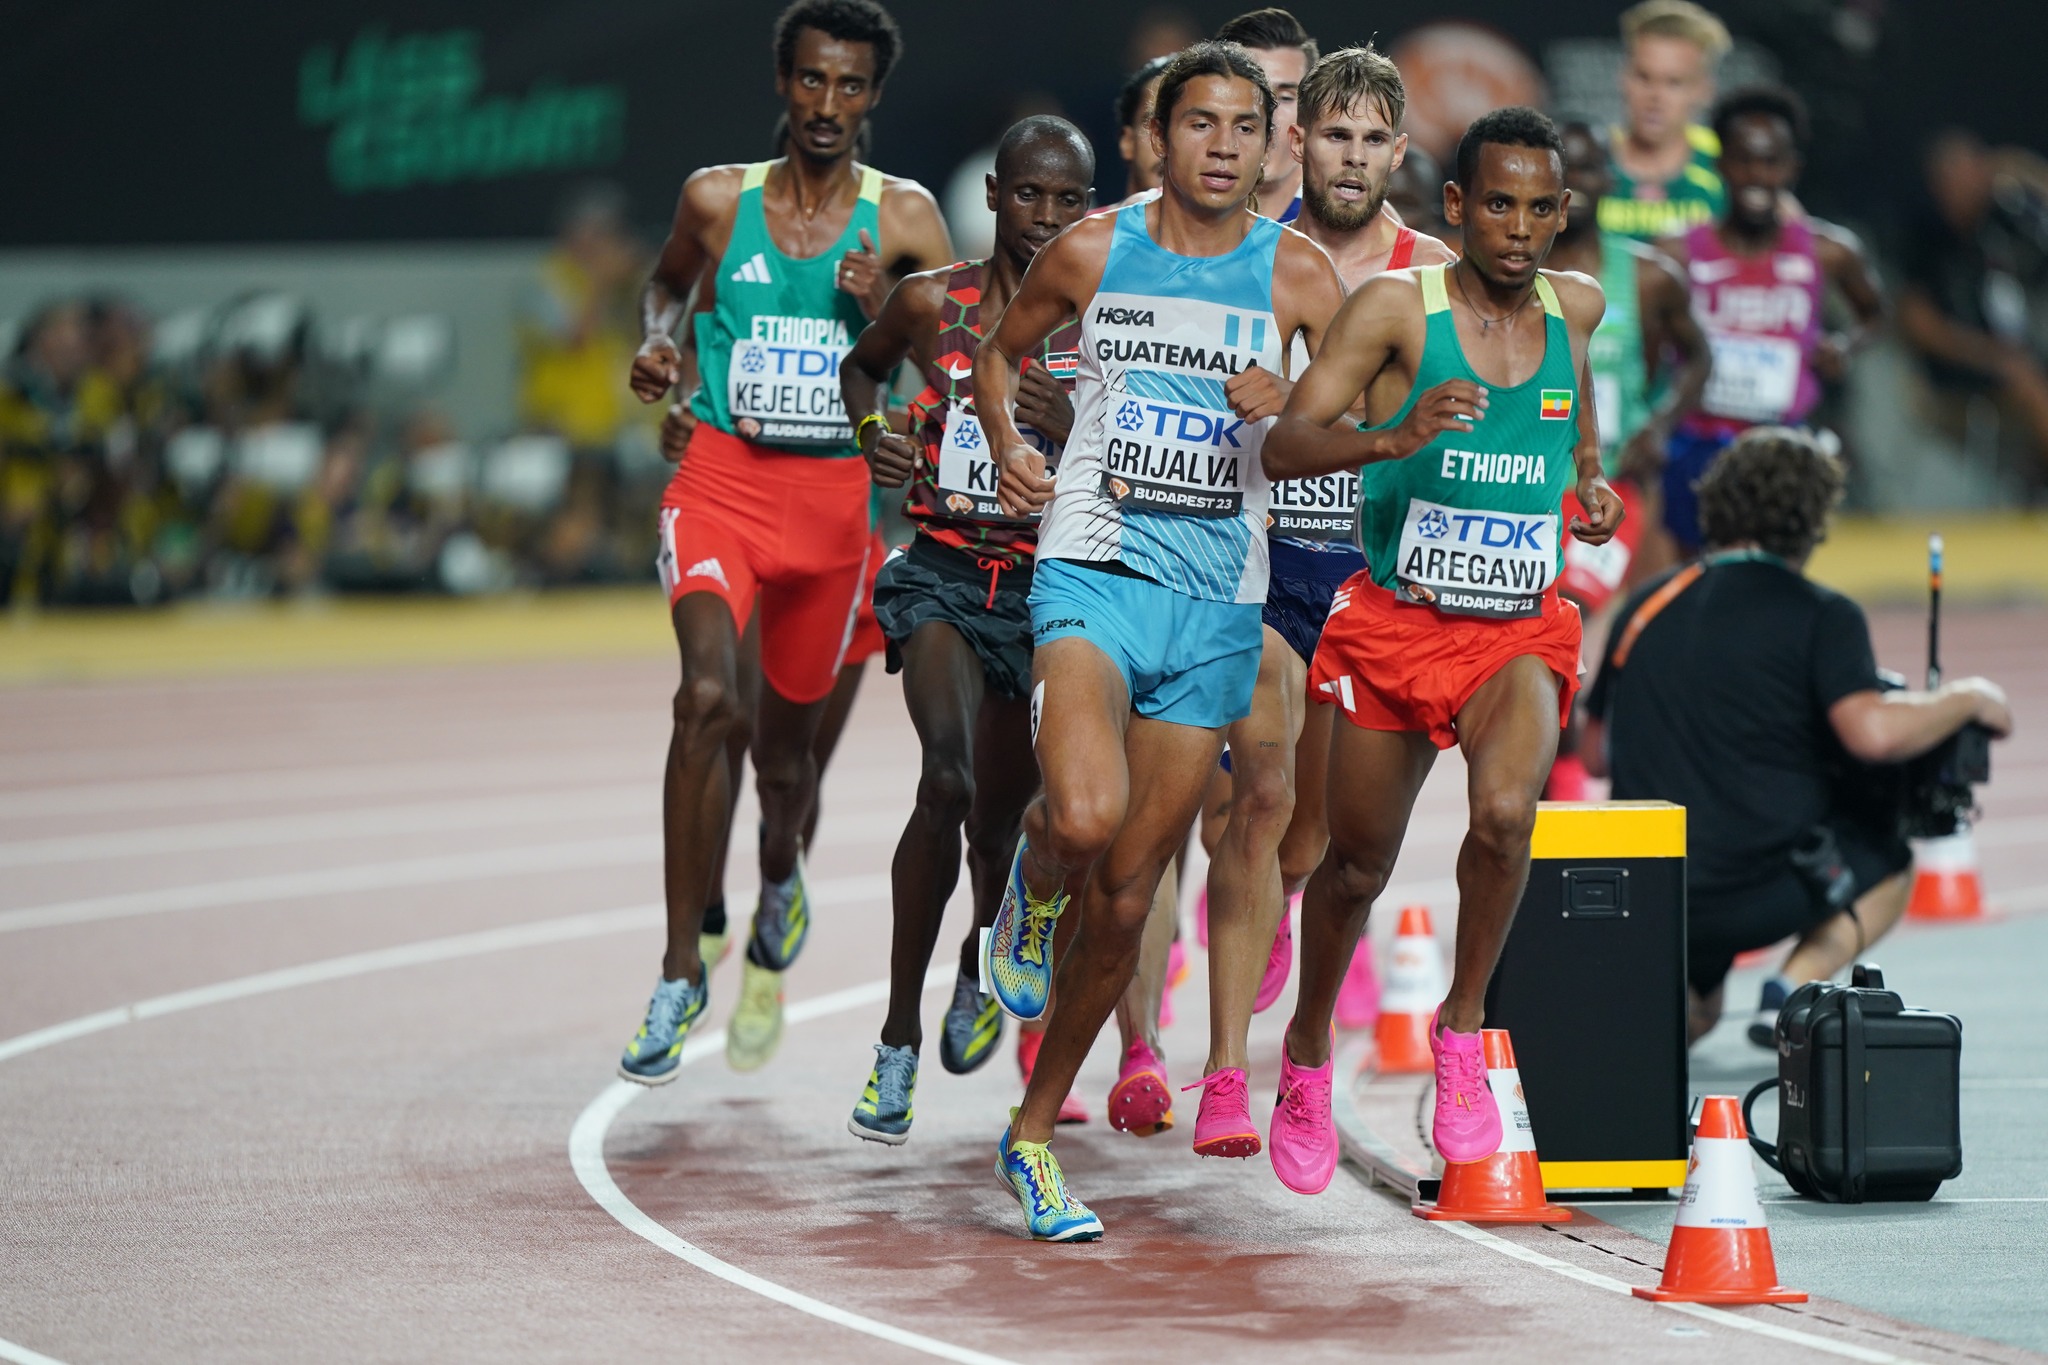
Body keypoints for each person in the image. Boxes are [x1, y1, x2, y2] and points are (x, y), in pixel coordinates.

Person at [973, 41, 1344, 1240]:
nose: (1223, 145)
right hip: (1092, 569)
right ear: (1158, 135)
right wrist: (1009, 443)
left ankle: (1032, 1137)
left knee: (1131, 898)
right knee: (1083, 822)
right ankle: (1034, 883)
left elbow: (1353, 415)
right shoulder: (1093, 248)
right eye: (1200, 122)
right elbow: (997, 352)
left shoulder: (1297, 274)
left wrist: (1293, 402)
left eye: (1244, 125)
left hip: (1218, 608)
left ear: (1268, 145)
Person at [1263, 107, 1621, 1194]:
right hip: (1397, 623)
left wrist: (1590, 486)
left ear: (1561, 214)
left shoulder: (1573, 309)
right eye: (1497, 205)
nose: (1517, 228)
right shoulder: (1394, 310)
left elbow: (1578, 429)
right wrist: (1395, 436)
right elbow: (1286, 444)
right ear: (1458, 206)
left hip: (1516, 627)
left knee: (1507, 817)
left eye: (1539, 209)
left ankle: (1460, 1032)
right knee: (1354, 867)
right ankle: (1306, 1050)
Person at [616, 0, 952, 1087]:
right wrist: (659, 346)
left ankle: (776, 875)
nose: (827, 103)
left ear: (872, 97)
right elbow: (667, 285)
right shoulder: (718, 199)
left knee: (784, 766)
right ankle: (679, 968)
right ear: (782, 81)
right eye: (811, 79)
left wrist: (884, 307)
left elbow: (954, 358)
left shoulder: (904, 216)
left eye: (849, 85)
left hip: (833, 510)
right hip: (721, 478)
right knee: (705, 698)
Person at [1188, 44, 1458, 1164]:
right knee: (1261, 797)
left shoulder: (1434, 272)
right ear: (1299, 142)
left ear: (1397, 151)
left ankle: (1272, 894)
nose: (1349, 157)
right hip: (1262, 559)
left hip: (1367, 573)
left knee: (1310, 836)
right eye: (1332, 135)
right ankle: (1222, 1078)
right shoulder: (1250, 249)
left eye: (1370, 140)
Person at [1580, 428, 2014, 1045]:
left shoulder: (1644, 605)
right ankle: (1790, 986)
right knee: (1891, 861)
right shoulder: (1823, 613)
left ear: (1716, 504)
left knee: (1695, 1018)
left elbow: (1595, 755)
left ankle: (1633, 1038)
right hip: (1762, 887)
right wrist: (1968, 696)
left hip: (1656, 889)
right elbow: (1871, 733)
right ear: (1812, 521)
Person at [836, 115, 1096, 1144]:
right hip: (943, 576)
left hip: (1046, 593)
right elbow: (862, 369)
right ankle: (895, 1041)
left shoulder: (1102, 327)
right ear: (992, 194)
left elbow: (1151, 456)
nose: (1045, 217)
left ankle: (974, 967)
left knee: (1000, 827)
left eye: (1067, 200)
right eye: (1028, 194)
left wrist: (1075, 427)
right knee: (943, 781)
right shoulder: (929, 302)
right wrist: (874, 435)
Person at [1655, 85, 1883, 556]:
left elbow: (1875, 314)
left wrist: (1845, 344)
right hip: (1698, 440)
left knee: (1776, 574)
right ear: (1720, 165)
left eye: (1771, 161)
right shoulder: (1676, 253)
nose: (1757, 176)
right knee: (1696, 572)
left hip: (1784, 445)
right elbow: (1646, 334)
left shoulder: (1829, 251)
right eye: (1744, 160)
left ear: (1792, 168)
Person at [1898, 128, 2048, 477]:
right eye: (1951, 179)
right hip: (1958, 364)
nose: (1964, 187)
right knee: (2027, 382)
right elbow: (1920, 325)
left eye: (1971, 174)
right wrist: (1990, 354)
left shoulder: (2002, 222)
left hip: (2014, 352)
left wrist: (2023, 169)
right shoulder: (1927, 237)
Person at [1599, 0, 1729, 244]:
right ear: (1623, 78)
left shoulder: (1728, 165)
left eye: (1674, 83)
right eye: (1644, 77)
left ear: (1704, 90)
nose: (1655, 97)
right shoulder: (1589, 163)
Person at [1215, 9, 1317, 224]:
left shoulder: (1352, 224)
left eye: (1286, 97)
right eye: (1252, 93)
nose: (1268, 116)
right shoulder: (1154, 218)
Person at [1115, 56, 1175, 202]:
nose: (1170, 144)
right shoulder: (1083, 219)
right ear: (1128, 141)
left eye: (1198, 126)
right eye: (1156, 127)